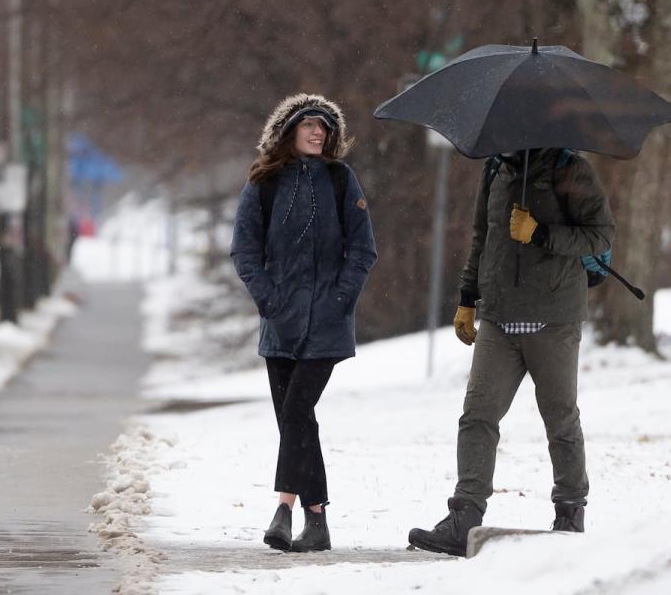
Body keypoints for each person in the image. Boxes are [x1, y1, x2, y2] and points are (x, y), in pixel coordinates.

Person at [408, 148, 614, 557]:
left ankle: (570, 513)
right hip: (500, 317)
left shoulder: (568, 167)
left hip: (553, 317)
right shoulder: (495, 170)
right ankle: (464, 515)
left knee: (559, 416)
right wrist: (468, 297)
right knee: (477, 415)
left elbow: (600, 235)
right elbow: (483, 237)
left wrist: (540, 233)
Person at [231, 94, 377, 552]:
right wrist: (270, 301)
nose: (318, 133)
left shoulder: (340, 179)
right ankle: (318, 521)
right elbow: (244, 251)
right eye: (309, 125)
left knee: (295, 412)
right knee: (297, 421)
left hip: (327, 326)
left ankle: (284, 509)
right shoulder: (264, 182)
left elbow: (363, 250)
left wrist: (339, 299)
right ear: (288, 131)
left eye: (324, 127)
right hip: (280, 324)